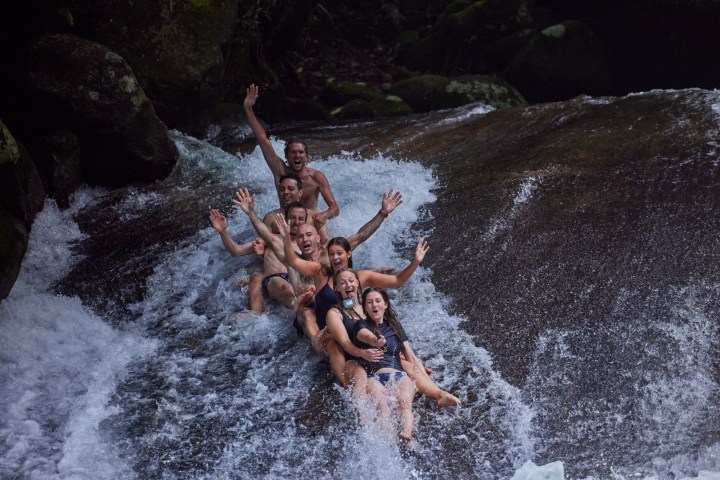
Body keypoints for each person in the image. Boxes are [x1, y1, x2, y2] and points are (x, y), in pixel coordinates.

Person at [236, 187, 403, 345]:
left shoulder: (329, 256)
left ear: (318, 238)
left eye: (309, 235)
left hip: (335, 306)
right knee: (305, 313)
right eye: (300, 237)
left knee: (362, 303)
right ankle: (320, 346)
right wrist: (250, 213)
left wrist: (383, 212)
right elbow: (270, 238)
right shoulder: (294, 260)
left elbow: (360, 236)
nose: (305, 239)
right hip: (311, 309)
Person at [244, 84, 339, 229]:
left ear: (306, 156)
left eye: (301, 152)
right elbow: (263, 140)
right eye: (293, 152)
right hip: (287, 224)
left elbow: (335, 209)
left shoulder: (317, 177)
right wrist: (248, 109)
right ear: (287, 156)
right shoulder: (281, 171)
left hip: (308, 226)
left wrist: (324, 215)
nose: (297, 155)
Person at [354, 287, 417, 443]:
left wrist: (422, 372)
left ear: (386, 304)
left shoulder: (394, 326)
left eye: (378, 301)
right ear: (365, 308)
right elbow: (365, 336)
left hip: (399, 374)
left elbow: (410, 354)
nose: (374, 305)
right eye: (369, 302)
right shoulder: (360, 325)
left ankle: (406, 432)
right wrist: (376, 341)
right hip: (375, 377)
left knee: (404, 402)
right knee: (382, 408)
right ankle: (388, 443)